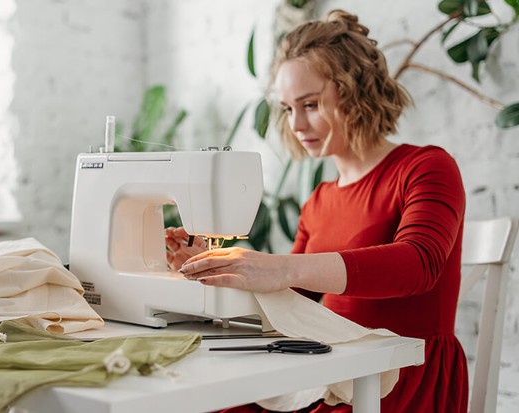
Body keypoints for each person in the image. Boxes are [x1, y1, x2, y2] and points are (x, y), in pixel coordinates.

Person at [165, 9, 468, 413]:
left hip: (400, 375)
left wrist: (283, 268)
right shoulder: (320, 199)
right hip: (336, 365)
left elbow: (419, 263)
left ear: (357, 92)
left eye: (310, 104)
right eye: (288, 109)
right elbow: (294, 299)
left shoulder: (426, 167)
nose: (297, 124)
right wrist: (214, 271)